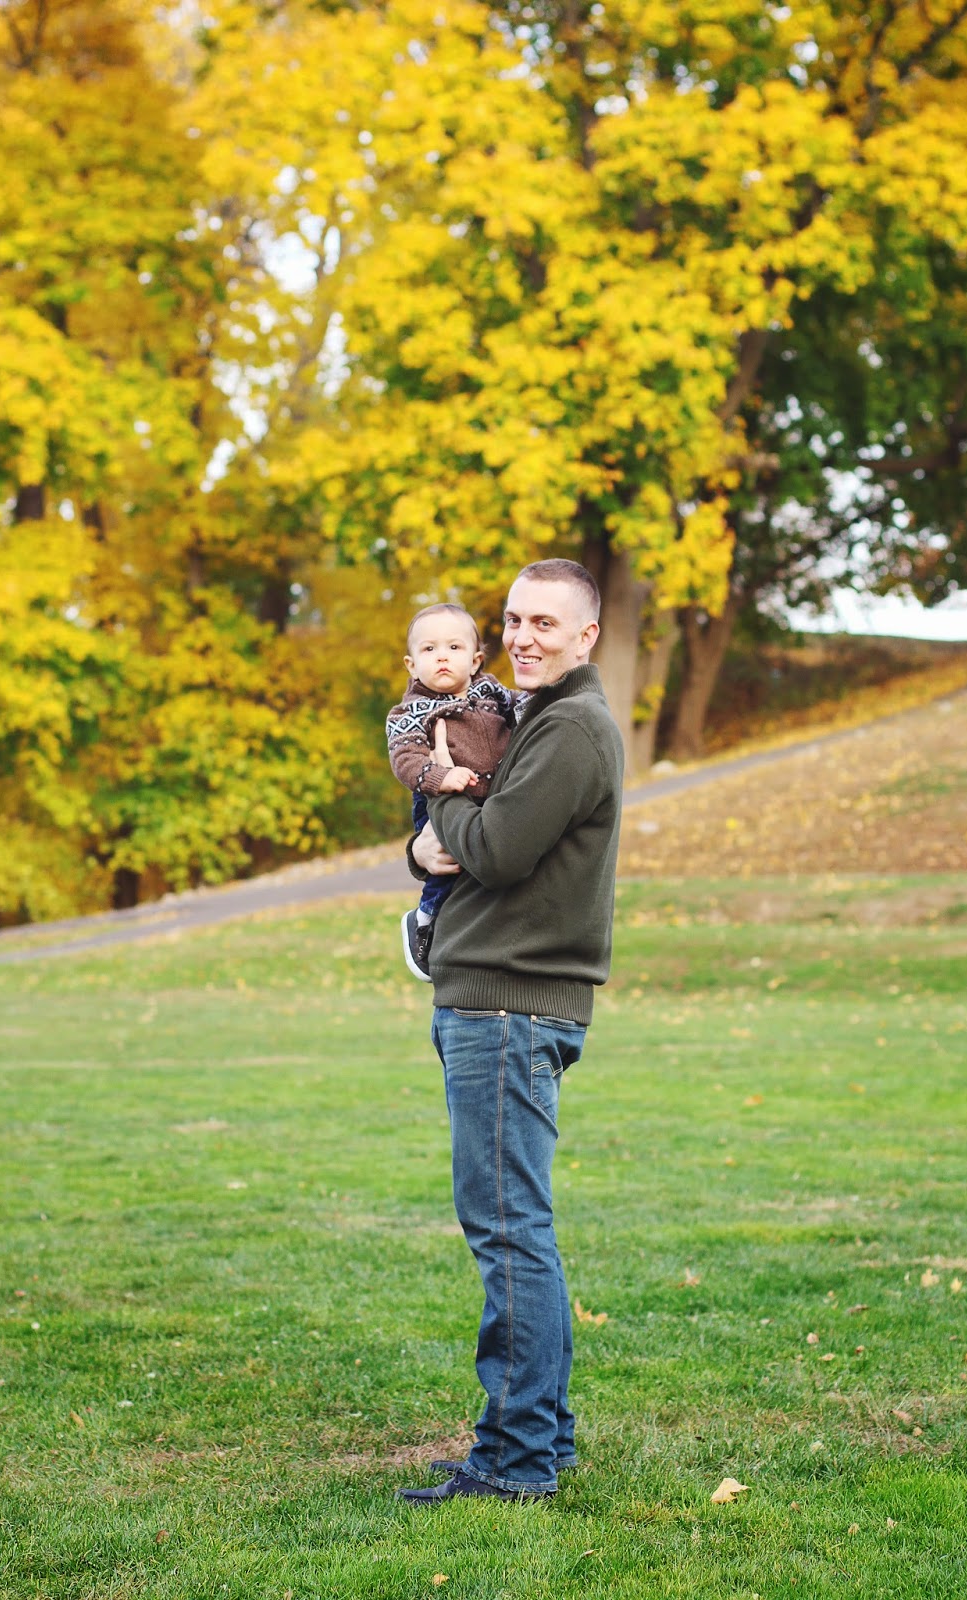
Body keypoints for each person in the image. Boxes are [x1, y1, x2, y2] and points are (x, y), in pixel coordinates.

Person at [396, 558, 625, 1505]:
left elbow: (492, 848)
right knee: (516, 1227)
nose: (524, 637)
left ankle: (517, 1460)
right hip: (497, 999)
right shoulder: (535, 719)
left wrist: (441, 789)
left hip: (510, 1006)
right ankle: (540, 1439)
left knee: (508, 1233)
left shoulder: (571, 728)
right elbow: (456, 845)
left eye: (546, 623)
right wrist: (424, 842)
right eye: (514, 619)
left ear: (586, 636)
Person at [386, 604, 517, 980]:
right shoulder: (412, 711)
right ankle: (425, 920)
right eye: (429, 649)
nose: (442, 656)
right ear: (412, 665)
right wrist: (439, 777)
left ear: (475, 661)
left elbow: (523, 708)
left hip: (489, 796)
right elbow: (405, 758)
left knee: (483, 868)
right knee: (446, 865)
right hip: (436, 800)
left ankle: (471, 932)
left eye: (454, 648)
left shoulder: (493, 692)